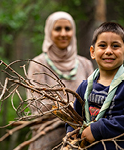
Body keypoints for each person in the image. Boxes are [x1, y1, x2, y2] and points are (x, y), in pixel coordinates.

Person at [65, 22, 124, 150]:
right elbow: (74, 119)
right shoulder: (85, 86)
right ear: (92, 52)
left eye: (115, 46)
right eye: (102, 46)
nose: (108, 51)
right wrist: (71, 136)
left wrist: (97, 130)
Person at [26, 11, 94, 150]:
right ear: (49, 31)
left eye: (67, 29)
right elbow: (35, 105)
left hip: (80, 141)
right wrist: (70, 108)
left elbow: (95, 97)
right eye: (58, 29)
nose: (63, 34)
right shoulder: (39, 64)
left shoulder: (85, 64)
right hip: (47, 139)